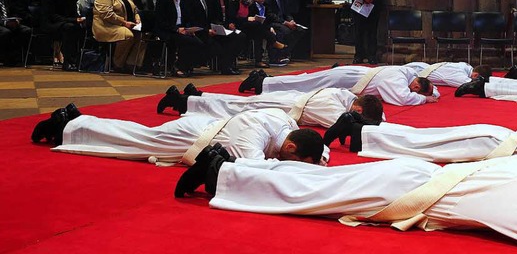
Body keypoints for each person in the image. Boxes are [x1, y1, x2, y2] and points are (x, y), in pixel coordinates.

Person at [181, 153, 517, 254]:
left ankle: (236, 163)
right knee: (310, 197)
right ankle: (221, 175)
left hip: (413, 172)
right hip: (401, 193)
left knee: (320, 179)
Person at [326, 115, 517, 178]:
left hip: (492, 138)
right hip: (487, 144)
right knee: (421, 146)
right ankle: (356, 130)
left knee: (422, 139)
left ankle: (360, 128)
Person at [32, 105, 326, 169]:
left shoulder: (286, 123)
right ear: (289, 146)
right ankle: (67, 124)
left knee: (133, 137)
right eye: (294, 159)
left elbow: (318, 148)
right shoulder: (255, 135)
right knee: (133, 138)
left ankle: (75, 123)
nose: (293, 162)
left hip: (208, 127)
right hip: (189, 136)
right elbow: (254, 168)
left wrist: (316, 160)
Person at [157, 81, 384, 127]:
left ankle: (198, 95)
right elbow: (346, 124)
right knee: (236, 108)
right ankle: (183, 101)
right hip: (286, 106)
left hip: (290, 102)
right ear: (358, 109)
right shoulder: (335, 109)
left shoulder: (344, 96)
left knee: (239, 104)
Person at [239, 65, 437, 106]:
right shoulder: (398, 80)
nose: (413, 91)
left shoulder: (408, 72)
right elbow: (403, 98)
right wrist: (424, 99)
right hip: (345, 79)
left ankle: (266, 80)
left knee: (307, 83)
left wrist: (432, 92)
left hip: (351, 75)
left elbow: (427, 85)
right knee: (307, 85)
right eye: (417, 90)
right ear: (417, 87)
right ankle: (262, 82)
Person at [181, 0, 241, 76]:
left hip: (208, 29)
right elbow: (190, 18)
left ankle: (226, 66)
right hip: (197, 30)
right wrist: (206, 30)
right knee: (216, 47)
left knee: (236, 37)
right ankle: (190, 64)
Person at [92, 0, 143, 72]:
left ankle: (131, 64)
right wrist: (124, 22)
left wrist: (137, 19)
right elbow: (106, 14)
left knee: (142, 34)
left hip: (126, 24)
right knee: (128, 35)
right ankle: (117, 64)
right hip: (106, 26)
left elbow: (134, 9)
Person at [154, 0, 204, 77]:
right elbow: (160, 21)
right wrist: (176, 30)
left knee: (198, 42)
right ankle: (178, 67)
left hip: (180, 28)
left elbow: (186, 16)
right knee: (186, 41)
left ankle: (185, 66)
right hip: (167, 30)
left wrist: (189, 29)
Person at [229, 0, 285, 69]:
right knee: (257, 26)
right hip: (237, 25)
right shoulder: (235, 0)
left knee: (258, 31)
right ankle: (272, 41)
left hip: (247, 25)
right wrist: (247, 19)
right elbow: (232, 18)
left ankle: (259, 60)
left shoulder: (248, 2)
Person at [41, 0, 84, 71]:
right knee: (69, 28)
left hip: (66, 21)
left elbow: (73, 10)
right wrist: (73, 20)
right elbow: (51, 15)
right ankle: (68, 61)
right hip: (52, 23)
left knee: (80, 27)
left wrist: (78, 19)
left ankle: (78, 60)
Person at [207, 0, 245, 75]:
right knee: (233, 38)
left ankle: (228, 63)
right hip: (216, 27)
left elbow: (229, 16)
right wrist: (222, 25)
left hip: (225, 27)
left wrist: (230, 24)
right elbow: (211, 16)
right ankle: (225, 65)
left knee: (241, 36)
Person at [263, 0, 304, 66]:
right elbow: (270, 15)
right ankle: (276, 56)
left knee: (299, 30)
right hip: (272, 22)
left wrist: (291, 20)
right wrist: (285, 22)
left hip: (282, 21)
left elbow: (287, 12)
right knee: (285, 31)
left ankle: (285, 53)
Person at [0, 0, 32, 64]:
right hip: (1, 23)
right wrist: (5, 23)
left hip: (8, 20)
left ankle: (19, 57)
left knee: (26, 30)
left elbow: (14, 9)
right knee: (5, 32)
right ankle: (4, 58)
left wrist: (16, 19)